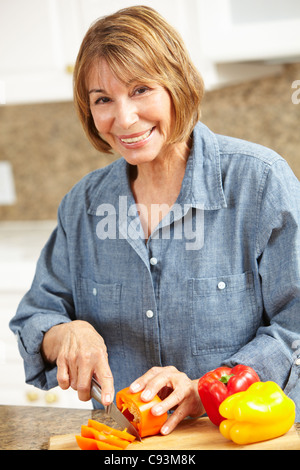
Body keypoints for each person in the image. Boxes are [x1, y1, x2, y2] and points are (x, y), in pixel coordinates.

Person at [10, 5, 300, 434]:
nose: (123, 118)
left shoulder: (258, 183)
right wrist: (66, 332)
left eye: (141, 89)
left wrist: (205, 390)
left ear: (176, 84)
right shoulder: (82, 205)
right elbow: (37, 315)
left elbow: (295, 327)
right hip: (121, 445)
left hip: (238, 437)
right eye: (103, 99)